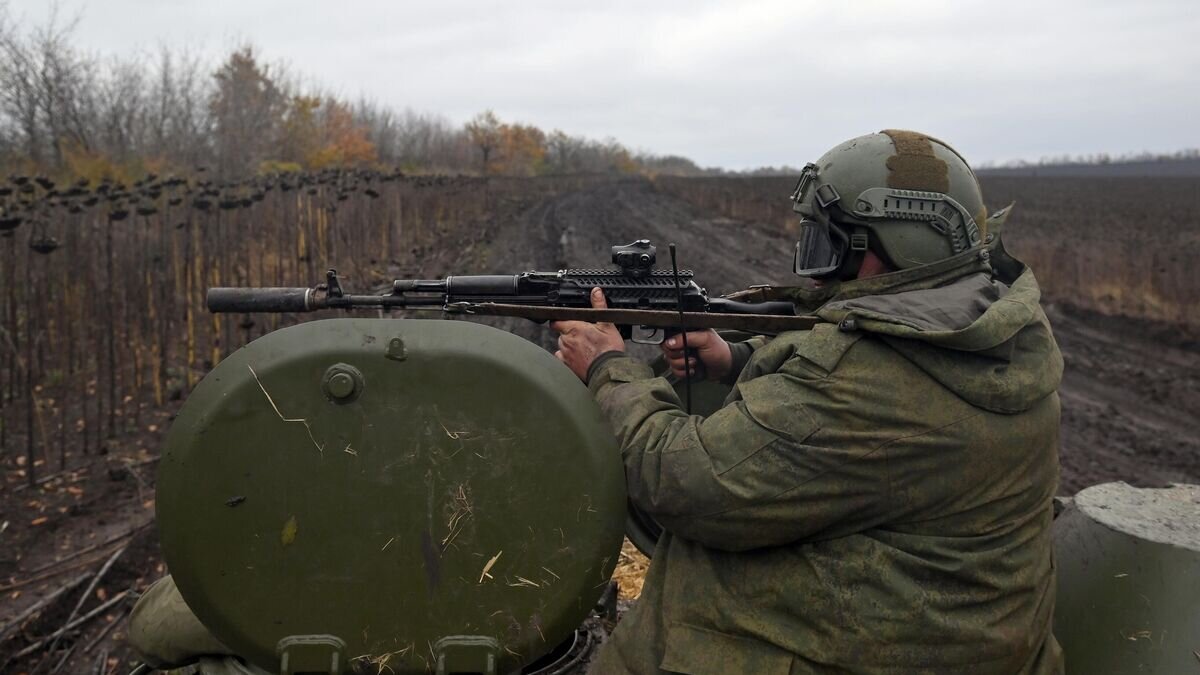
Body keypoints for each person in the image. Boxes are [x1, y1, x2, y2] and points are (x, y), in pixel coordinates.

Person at [552, 130, 1064, 674]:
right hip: (949, 631)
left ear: (896, 245)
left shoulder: (867, 384)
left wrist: (609, 368)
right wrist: (734, 359)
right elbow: (848, 379)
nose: (817, 267)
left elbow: (685, 481)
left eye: (831, 244)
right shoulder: (982, 328)